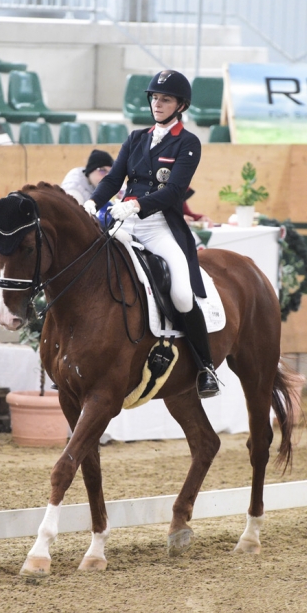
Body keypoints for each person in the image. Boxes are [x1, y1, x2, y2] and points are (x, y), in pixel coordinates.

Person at [84, 69, 220, 398]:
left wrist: (136, 205)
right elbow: (113, 179)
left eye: (166, 99)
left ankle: (206, 368)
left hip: (158, 225)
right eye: (155, 98)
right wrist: (92, 202)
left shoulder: (187, 143)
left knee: (182, 295)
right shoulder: (136, 138)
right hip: (123, 223)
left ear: (180, 105)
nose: (157, 104)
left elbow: (174, 191)